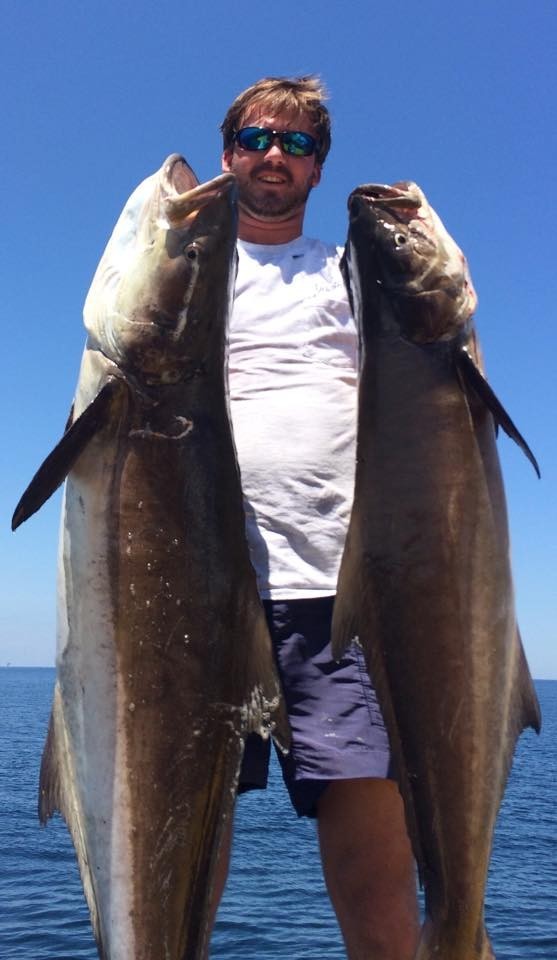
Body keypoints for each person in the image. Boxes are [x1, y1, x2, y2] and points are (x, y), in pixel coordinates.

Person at [212, 76, 420, 960]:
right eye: (258, 138)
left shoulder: (347, 274)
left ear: (317, 170)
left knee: (370, 819)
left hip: (335, 589)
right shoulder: (172, 269)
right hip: (195, 588)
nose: (273, 157)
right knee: (171, 811)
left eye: (296, 146)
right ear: (229, 153)